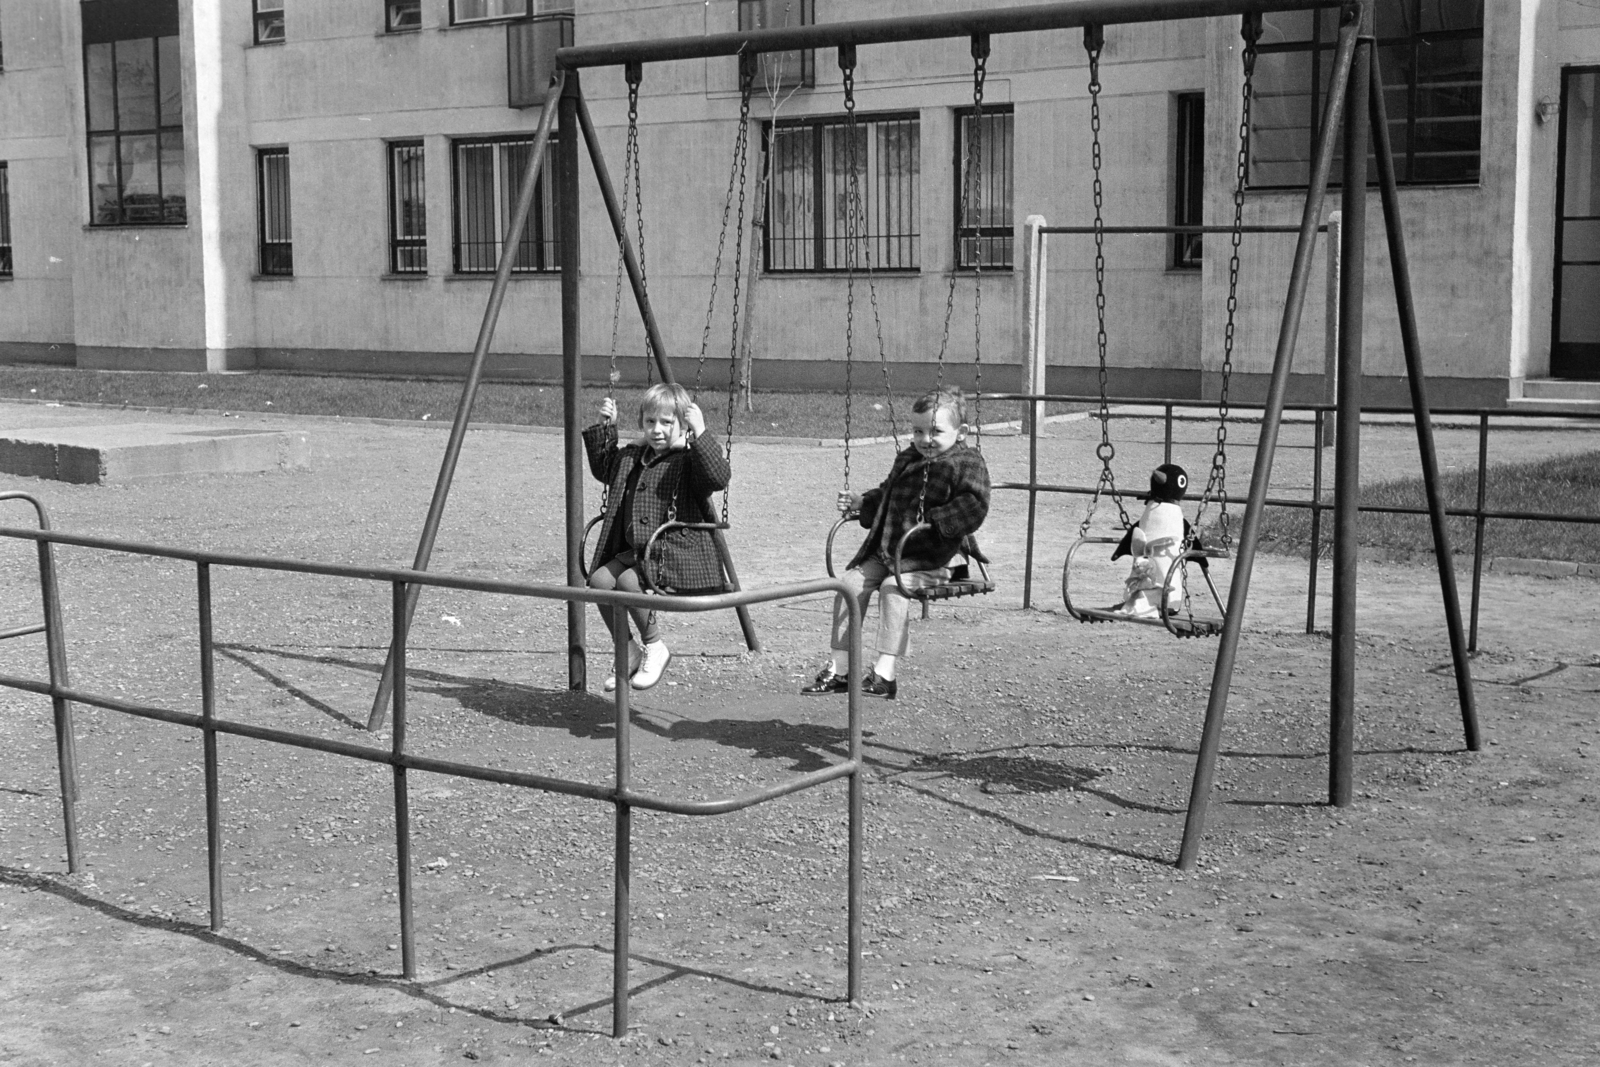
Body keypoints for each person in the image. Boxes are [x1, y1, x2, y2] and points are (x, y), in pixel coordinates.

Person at [802, 385, 991, 700]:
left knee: (893, 587)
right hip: (891, 551)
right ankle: (842, 670)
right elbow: (887, 495)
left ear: (961, 432)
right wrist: (862, 501)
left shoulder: (967, 462)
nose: (924, 439)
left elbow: (976, 503)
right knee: (848, 585)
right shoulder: (908, 458)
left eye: (935, 431)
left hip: (938, 558)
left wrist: (939, 521)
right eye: (918, 431)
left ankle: (884, 674)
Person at [582, 383, 730, 692]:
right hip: (640, 551)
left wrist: (700, 433)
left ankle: (655, 646)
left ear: (682, 424)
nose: (657, 430)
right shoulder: (635, 456)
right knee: (598, 581)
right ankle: (627, 649)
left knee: (626, 583)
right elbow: (605, 469)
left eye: (666, 423)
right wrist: (606, 428)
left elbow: (718, 477)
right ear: (641, 423)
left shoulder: (689, 462)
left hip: (677, 553)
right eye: (650, 422)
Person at [1110, 462, 1199, 618]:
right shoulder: (1157, 513)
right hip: (1146, 574)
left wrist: (1200, 555)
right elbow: (1137, 533)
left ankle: (1163, 601)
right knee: (1144, 574)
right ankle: (1141, 599)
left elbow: (1189, 536)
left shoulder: (1168, 515)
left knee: (1163, 575)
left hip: (1169, 597)